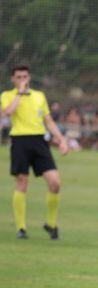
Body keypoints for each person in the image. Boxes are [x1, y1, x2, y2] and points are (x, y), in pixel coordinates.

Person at [1, 65, 69, 239]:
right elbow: (8, 112)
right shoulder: (8, 95)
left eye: (25, 77)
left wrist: (61, 140)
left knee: (55, 183)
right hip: (20, 141)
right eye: (18, 77)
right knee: (22, 182)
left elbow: (49, 121)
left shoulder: (39, 96)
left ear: (29, 77)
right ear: (13, 79)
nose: (22, 79)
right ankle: (21, 227)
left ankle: (51, 224)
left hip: (39, 142)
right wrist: (20, 93)